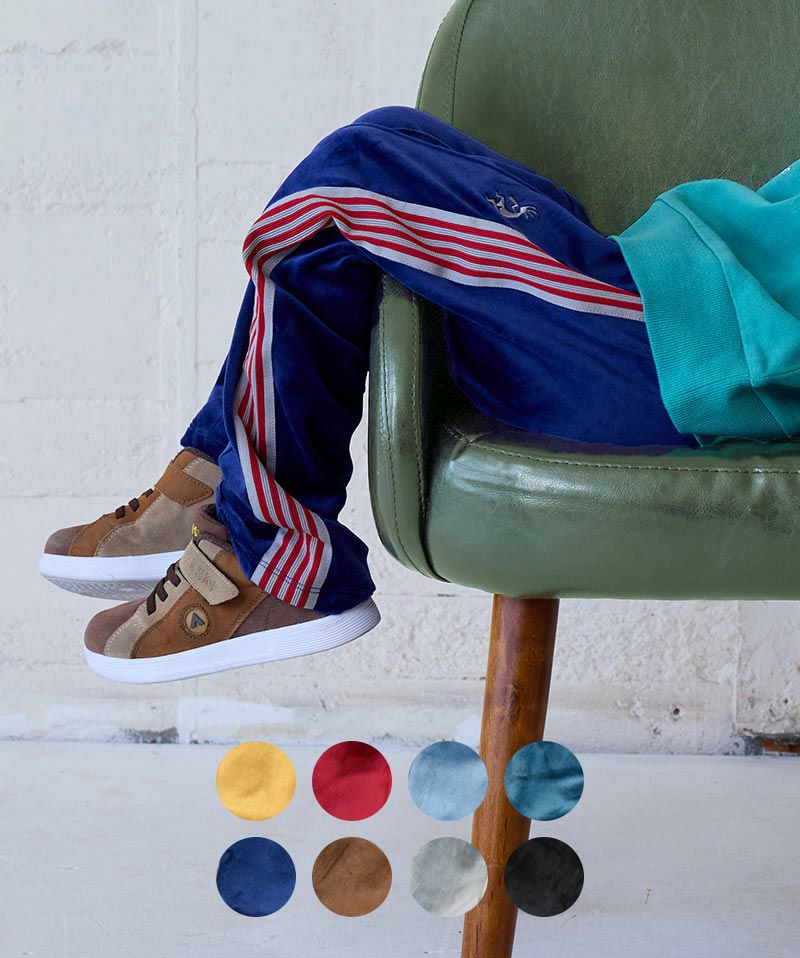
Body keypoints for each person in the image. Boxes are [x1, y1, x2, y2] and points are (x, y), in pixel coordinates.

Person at [38, 106, 800, 683]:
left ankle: (272, 561)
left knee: (343, 185)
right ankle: (216, 474)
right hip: (672, 287)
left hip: (690, 349)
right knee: (391, 131)